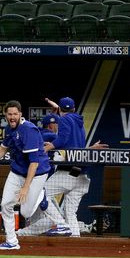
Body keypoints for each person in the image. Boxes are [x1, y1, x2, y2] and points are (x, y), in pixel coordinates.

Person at [0, 100, 52, 250]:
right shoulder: (9, 129)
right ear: (6, 115)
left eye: (15, 114)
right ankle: (12, 241)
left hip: (37, 173)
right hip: (17, 171)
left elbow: (34, 163)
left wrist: (26, 188)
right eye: (9, 114)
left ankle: (41, 193)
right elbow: (3, 148)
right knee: (6, 204)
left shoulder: (29, 130)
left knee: (25, 212)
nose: (12, 117)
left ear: (20, 114)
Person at [42, 97, 109, 237]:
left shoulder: (65, 119)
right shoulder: (79, 122)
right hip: (80, 174)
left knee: (41, 193)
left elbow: (63, 139)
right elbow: (75, 148)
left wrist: (51, 146)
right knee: (70, 212)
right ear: (73, 108)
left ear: (61, 110)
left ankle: (61, 225)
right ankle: (75, 241)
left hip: (69, 173)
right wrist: (90, 148)